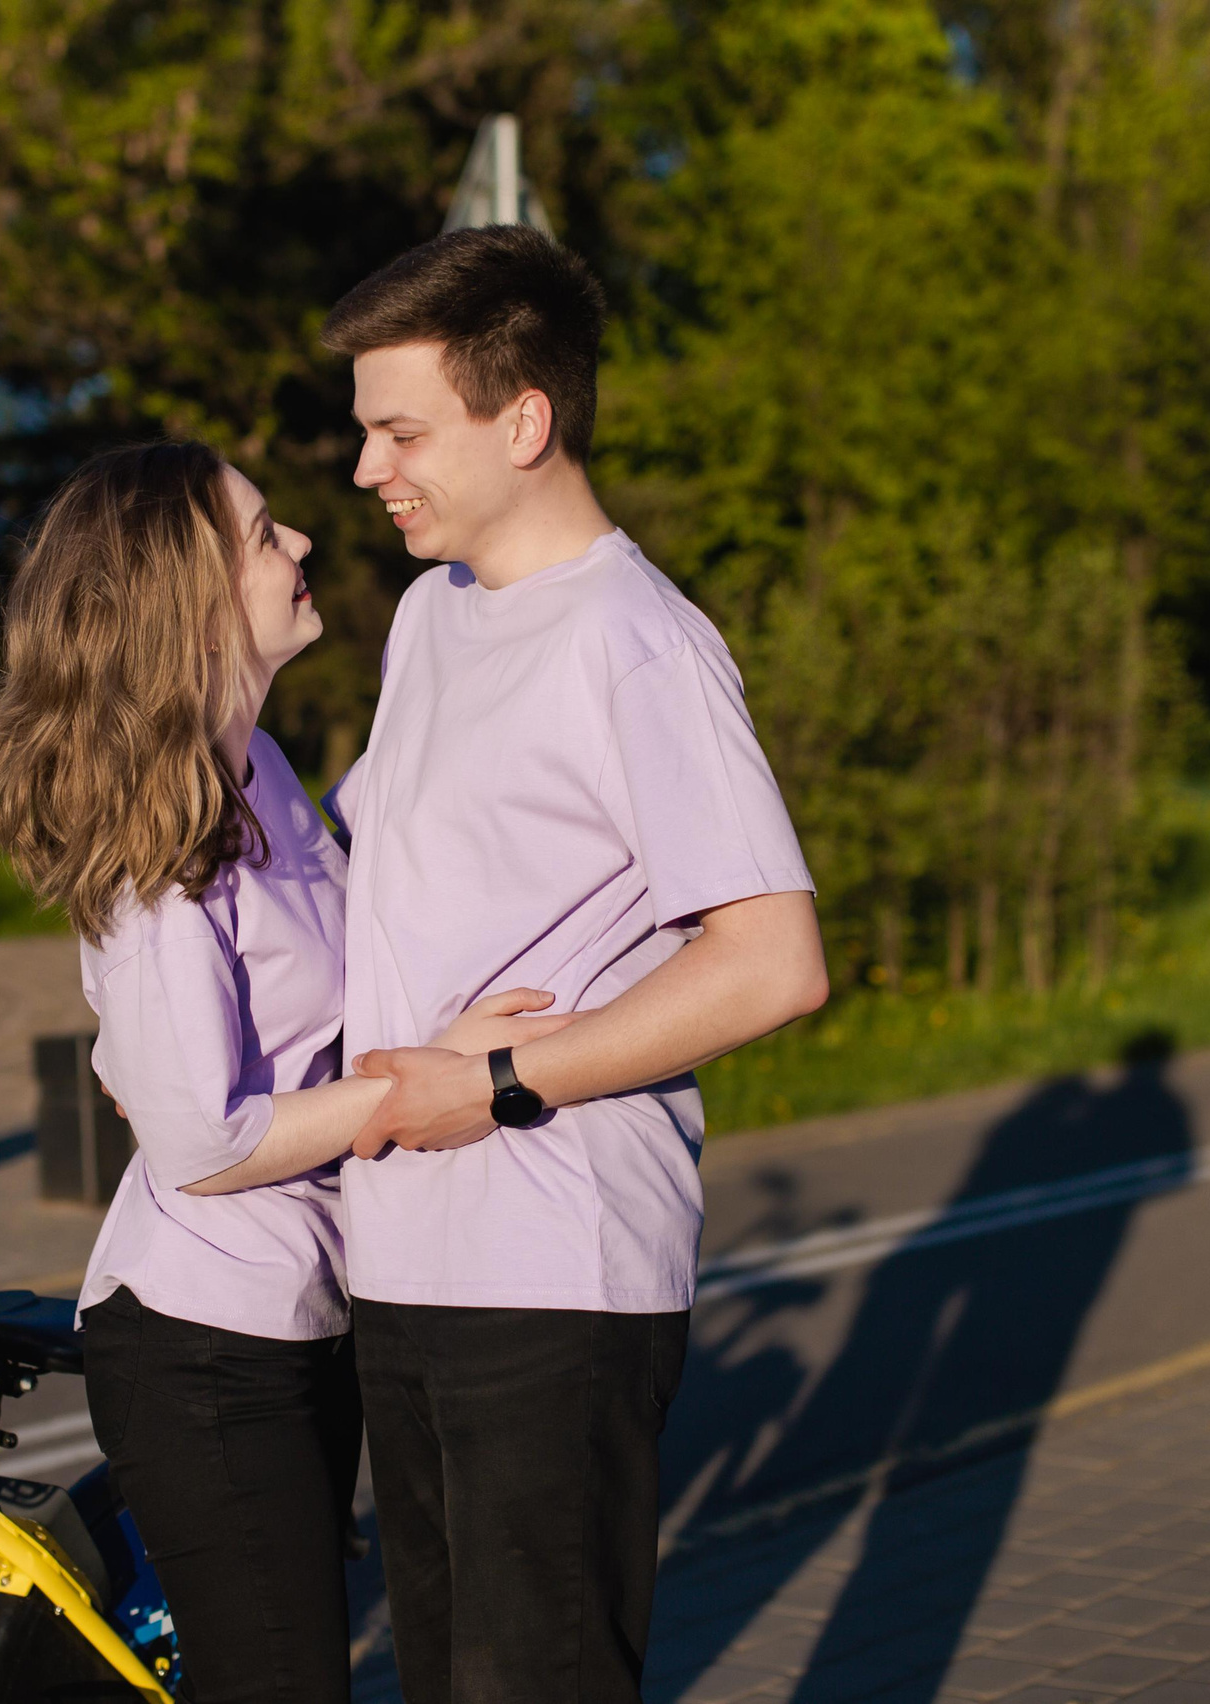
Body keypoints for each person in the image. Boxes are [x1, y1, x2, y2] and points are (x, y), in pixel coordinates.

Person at [0, 441, 567, 1704]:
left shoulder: (263, 774)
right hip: (202, 1347)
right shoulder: (160, 832)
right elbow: (203, 1141)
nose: (299, 544)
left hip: (302, 1315)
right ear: (185, 596)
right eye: (262, 533)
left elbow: (291, 1021)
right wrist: (425, 1083)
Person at [318, 226, 830, 1704]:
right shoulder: (435, 616)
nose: (369, 470)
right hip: (406, 1253)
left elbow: (771, 962)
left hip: (555, 1271)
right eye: (366, 434)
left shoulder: (637, 642)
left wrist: (495, 1076)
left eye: (399, 431)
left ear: (523, 419)